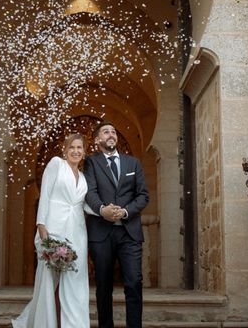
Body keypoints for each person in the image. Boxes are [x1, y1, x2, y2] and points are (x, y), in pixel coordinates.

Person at [13, 133, 89, 328]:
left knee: (75, 282)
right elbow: (45, 194)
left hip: (77, 232)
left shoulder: (83, 177)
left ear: (84, 152)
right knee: (47, 282)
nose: (75, 151)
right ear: (65, 150)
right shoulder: (56, 164)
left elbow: (85, 206)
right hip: (53, 229)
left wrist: (106, 210)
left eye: (79, 148)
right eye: (72, 147)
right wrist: (42, 228)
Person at [84, 121, 149, 328]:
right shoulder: (91, 163)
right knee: (103, 286)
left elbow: (143, 195)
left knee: (134, 283)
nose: (111, 134)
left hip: (129, 233)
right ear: (97, 140)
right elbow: (90, 192)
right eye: (105, 132)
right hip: (101, 233)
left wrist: (125, 211)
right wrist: (102, 210)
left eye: (113, 131)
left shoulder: (133, 163)